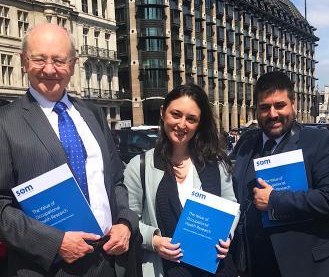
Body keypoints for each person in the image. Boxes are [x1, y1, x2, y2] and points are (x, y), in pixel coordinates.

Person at [0, 23, 138, 277]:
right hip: (47, 268)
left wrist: (125, 222)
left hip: (109, 260)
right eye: (39, 59)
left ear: (73, 64)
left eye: (59, 60)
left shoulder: (93, 113)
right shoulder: (5, 122)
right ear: (23, 61)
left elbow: (116, 181)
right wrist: (55, 243)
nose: (50, 69)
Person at [232, 71, 329, 277]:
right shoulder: (246, 143)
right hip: (258, 267)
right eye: (264, 107)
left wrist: (275, 200)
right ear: (256, 110)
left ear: (293, 104)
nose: (273, 114)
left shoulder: (319, 141)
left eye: (279, 105)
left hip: (311, 268)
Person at [124, 83, 238, 277]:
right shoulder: (139, 166)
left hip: (214, 268)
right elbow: (129, 222)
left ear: (199, 123)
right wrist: (155, 241)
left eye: (191, 119)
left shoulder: (215, 163)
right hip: (165, 269)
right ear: (162, 112)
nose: (182, 124)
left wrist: (226, 235)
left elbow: (232, 206)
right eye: (176, 114)